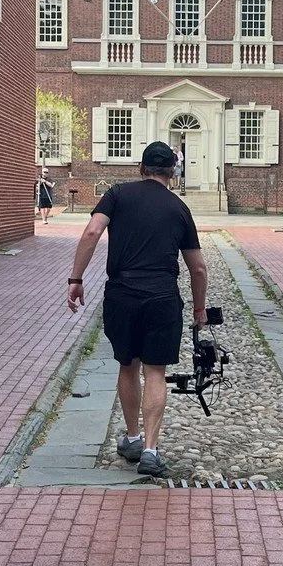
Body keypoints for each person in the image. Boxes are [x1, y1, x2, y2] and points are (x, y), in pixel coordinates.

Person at [66, 140, 208, 478]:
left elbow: (91, 232)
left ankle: (131, 437)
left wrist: (76, 278)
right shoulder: (179, 209)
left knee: (127, 364)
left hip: (123, 292)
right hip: (162, 295)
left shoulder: (117, 195)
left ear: (141, 169)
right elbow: (198, 268)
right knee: (155, 370)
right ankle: (150, 450)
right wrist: (199, 309)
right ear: (172, 172)